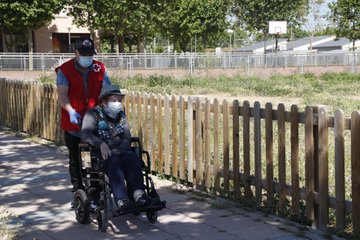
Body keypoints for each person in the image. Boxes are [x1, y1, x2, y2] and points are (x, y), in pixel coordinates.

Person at [81, 84, 159, 211]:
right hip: (101, 153)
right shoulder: (92, 114)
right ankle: (121, 199)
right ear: (104, 102)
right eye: (114, 100)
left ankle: (139, 195)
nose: (118, 103)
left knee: (131, 158)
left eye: (119, 100)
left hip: (120, 150)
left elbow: (127, 137)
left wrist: (118, 150)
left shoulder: (121, 116)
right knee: (114, 161)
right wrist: (101, 143)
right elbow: (85, 134)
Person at [56, 37, 111, 193]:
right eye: (84, 53)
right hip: (74, 122)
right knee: (76, 158)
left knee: (91, 155)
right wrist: (70, 110)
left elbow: (108, 90)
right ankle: (78, 190)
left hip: (93, 119)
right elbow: (62, 95)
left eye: (90, 54)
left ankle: (94, 188)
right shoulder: (65, 70)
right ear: (76, 53)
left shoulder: (100, 68)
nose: (88, 57)